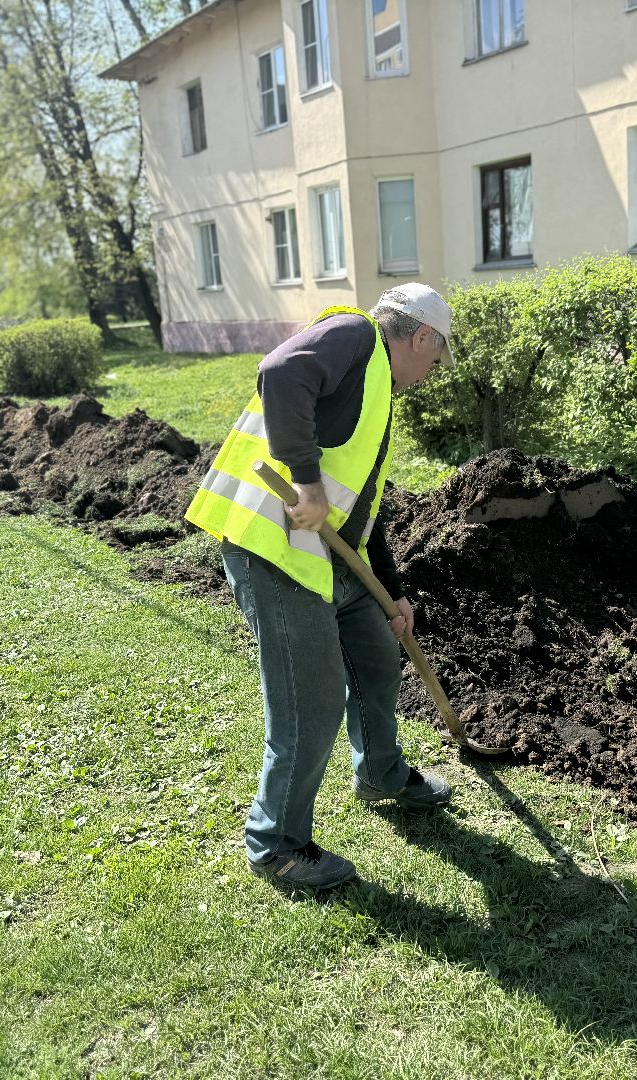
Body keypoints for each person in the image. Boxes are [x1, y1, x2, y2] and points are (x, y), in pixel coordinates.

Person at [187, 284, 457, 891]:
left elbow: (362, 504)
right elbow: (279, 373)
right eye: (434, 360)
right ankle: (276, 845)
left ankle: (381, 773)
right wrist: (305, 483)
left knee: (377, 658)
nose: (430, 374)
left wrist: (392, 592)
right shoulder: (356, 337)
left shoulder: (377, 390)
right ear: (418, 337)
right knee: (311, 701)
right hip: (273, 549)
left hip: (328, 556)